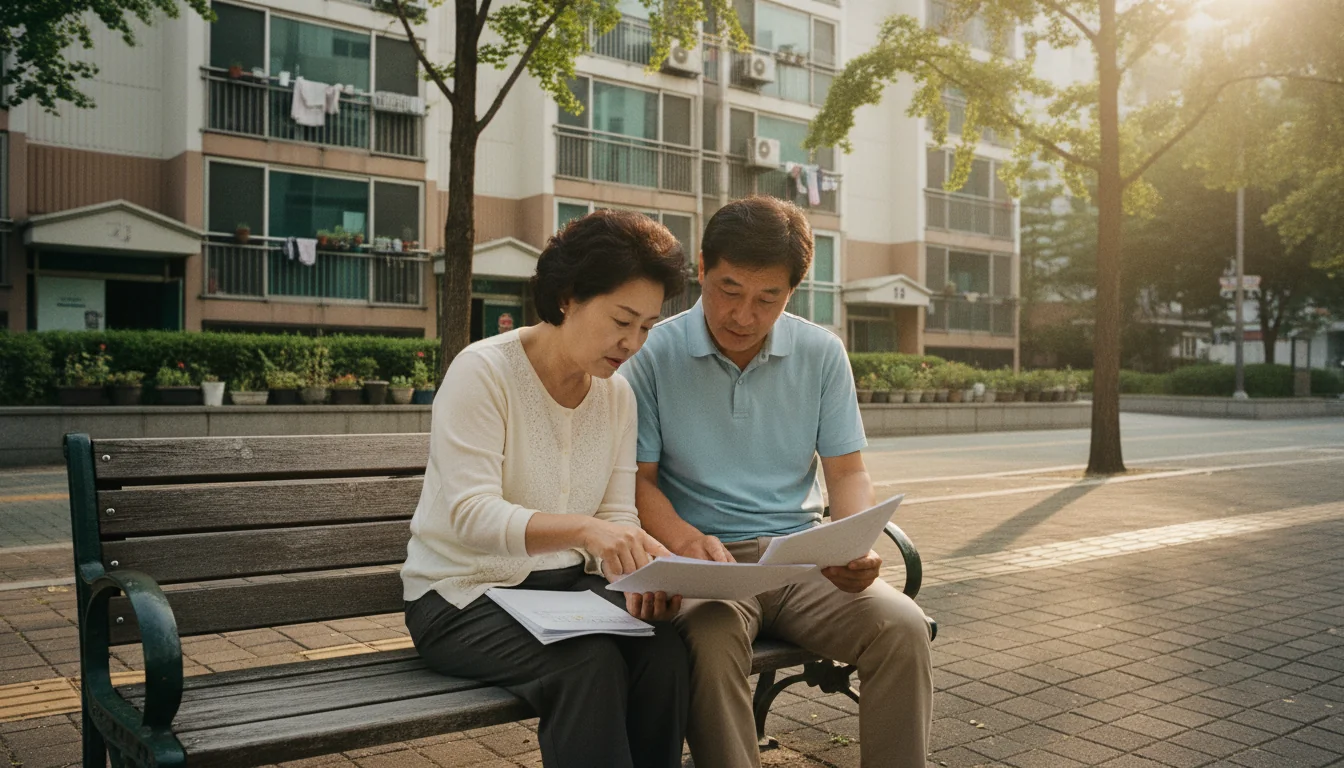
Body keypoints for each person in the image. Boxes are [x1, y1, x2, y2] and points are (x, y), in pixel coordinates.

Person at [622, 196, 934, 767]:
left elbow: (847, 470)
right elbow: (638, 482)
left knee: (902, 627)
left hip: (799, 559)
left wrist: (851, 543)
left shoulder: (821, 352)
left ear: (793, 291)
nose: (743, 315)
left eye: (768, 298)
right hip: (707, 567)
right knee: (710, 645)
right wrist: (686, 540)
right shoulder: (652, 353)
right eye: (728, 289)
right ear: (702, 267)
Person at [402, 209, 691, 768]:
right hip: (459, 597)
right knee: (589, 662)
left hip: (562, 595)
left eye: (648, 326)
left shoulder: (617, 396)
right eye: (622, 320)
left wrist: (640, 571)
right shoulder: (483, 371)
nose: (633, 342)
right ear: (567, 296)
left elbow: (616, 512)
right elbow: (470, 514)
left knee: (663, 649)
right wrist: (588, 531)